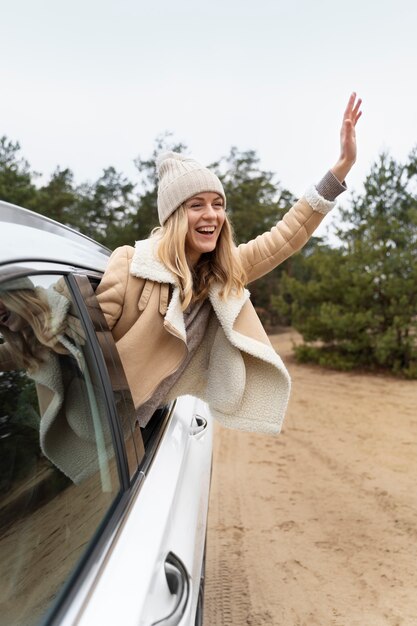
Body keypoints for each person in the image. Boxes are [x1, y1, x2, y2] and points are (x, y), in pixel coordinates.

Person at [96, 93, 362, 433]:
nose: (212, 215)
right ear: (174, 216)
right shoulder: (131, 263)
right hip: (102, 431)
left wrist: (341, 168)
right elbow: (82, 345)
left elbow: (285, 238)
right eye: (197, 205)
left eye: (218, 204)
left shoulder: (221, 272)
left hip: (141, 435)